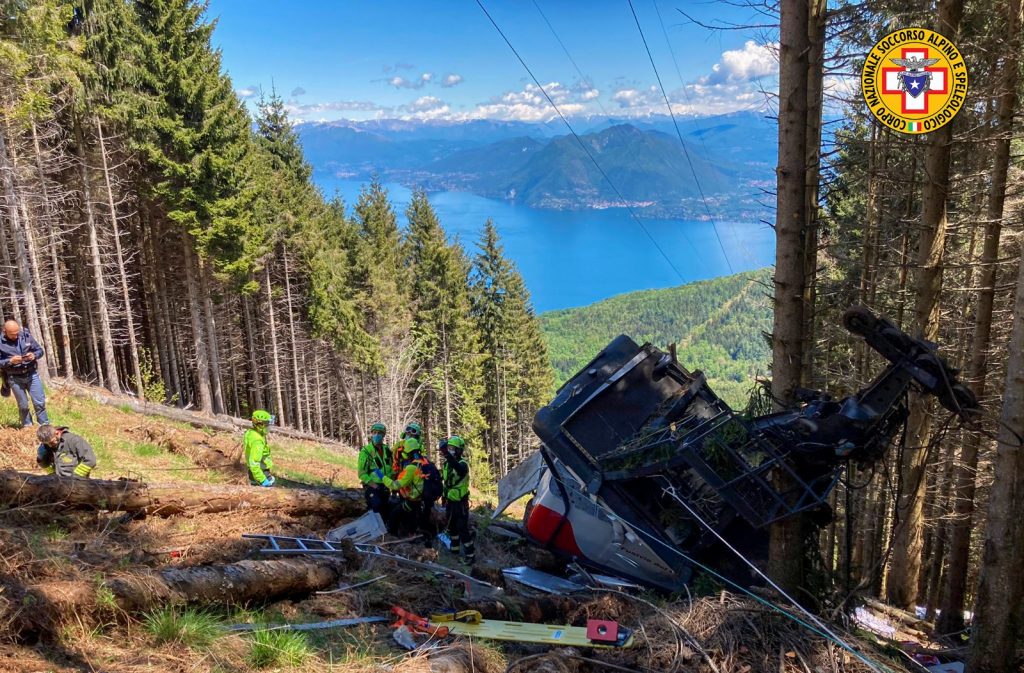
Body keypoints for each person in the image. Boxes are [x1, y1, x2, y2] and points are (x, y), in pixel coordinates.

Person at [383, 428, 442, 547]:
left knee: (395, 514)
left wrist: (383, 477)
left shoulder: (411, 468)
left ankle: (394, 537)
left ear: (407, 452)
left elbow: (396, 484)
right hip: (424, 500)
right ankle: (416, 536)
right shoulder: (425, 462)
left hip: (413, 500)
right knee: (415, 518)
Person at [0, 320, 49, 427]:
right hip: (14, 377)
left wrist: (34, 355)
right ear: (5, 332)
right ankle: (27, 427)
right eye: (13, 334)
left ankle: (45, 426)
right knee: (23, 406)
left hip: (31, 374)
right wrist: (10, 361)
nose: (16, 336)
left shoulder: (26, 336)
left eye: (17, 333)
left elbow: (40, 350)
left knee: (39, 403)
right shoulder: (0, 343)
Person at [440, 436, 475, 564]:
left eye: (453, 448)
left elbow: (459, 470)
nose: (450, 451)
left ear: (459, 450)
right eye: (449, 448)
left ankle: (470, 555)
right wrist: (443, 497)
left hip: (460, 502)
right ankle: (454, 550)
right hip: (450, 501)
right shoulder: (446, 464)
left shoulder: (462, 464)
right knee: (451, 527)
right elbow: (446, 482)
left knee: (462, 528)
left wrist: (446, 453)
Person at [358, 421, 392, 517]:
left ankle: (384, 530)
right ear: (372, 434)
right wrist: (374, 486)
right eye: (374, 433)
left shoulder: (387, 450)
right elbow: (361, 473)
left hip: (386, 486)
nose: (377, 435)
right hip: (373, 487)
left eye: (379, 433)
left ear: (383, 435)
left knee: (385, 511)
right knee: (376, 507)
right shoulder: (366, 451)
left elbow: (391, 468)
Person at [244, 409, 276, 486]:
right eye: (267, 425)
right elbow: (254, 463)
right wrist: (263, 480)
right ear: (260, 425)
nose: (269, 428)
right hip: (260, 473)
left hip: (255, 472)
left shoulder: (252, 433)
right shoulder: (257, 441)